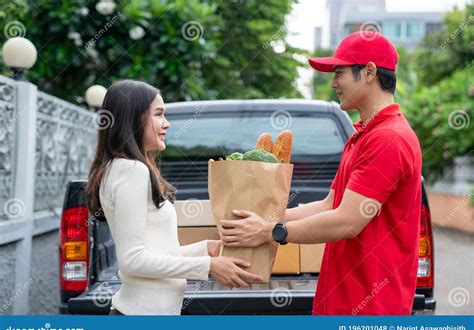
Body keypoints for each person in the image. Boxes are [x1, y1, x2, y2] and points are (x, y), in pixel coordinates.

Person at [219, 31, 422, 315]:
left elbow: (348, 221)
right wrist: (262, 221)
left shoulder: (388, 138)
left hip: (371, 308)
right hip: (341, 300)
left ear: (369, 72)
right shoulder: (363, 135)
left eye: (339, 73)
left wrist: (271, 231)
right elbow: (329, 205)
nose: (333, 83)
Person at [85, 80, 263, 315]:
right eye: (158, 114)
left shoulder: (119, 167)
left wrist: (205, 249)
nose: (166, 124)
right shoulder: (133, 171)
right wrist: (208, 266)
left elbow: (156, 256)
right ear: (134, 119)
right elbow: (133, 261)